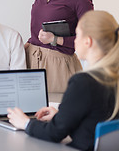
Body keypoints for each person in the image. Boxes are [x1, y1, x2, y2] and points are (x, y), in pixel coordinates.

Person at [8, 10, 119, 151]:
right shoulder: (112, 78)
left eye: (77, 35)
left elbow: (54, 133)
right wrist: (62, 116)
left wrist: (25, 123)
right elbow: (95, 121)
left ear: (88, 41)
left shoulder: (83, 82)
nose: (75, 40)